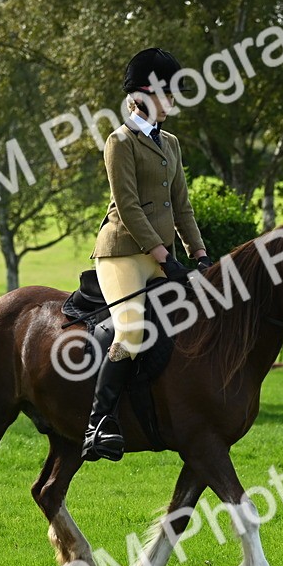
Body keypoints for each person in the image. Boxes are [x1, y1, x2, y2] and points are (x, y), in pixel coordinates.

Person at [82, 48, 212, 462]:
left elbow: (182, 206)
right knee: (132, 333)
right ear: (146, 94)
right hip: (122, 253)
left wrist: (199, 253)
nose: (174, 100)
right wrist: (162, 255)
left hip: (161, 255)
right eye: (169, 92)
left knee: (195, 319)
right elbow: (129, 206)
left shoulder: (170, 143)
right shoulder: (118, 142)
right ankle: (97, 424)